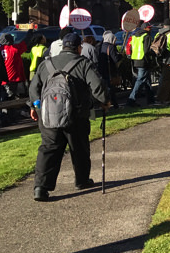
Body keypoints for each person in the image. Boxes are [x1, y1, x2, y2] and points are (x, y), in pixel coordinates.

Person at [28, 31, 110, 202]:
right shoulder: (83, 63)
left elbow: (34, 88)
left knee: (49, 149)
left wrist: (35, 106)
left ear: (63, 46)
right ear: (79, 48)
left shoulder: (46, 64)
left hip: (48, 116)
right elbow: (97, 86)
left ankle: (40, 188)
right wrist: (104, 101)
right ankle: (81, 180)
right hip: (76, 115)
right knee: (79, 148)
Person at [126, 21, 155, 107]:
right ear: (145, 28)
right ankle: (131, 100)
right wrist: (153, 54)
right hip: (143, 60)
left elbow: (131, 48)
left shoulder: (135, 36)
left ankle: (151, 100)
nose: (151, 29)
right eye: (149, 28)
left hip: (136, 60)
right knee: (140, 80)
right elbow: (146, 51)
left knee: (147, 80)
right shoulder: (146, 36)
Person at [98, 30, 122, 108]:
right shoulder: (111, 47)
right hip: (109, 71)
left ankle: (106, 103)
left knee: (105, 88)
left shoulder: (100, 46)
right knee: (111, 88)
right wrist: (120, 56)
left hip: (101, 70)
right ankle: (115, 105)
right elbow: (115, 59)